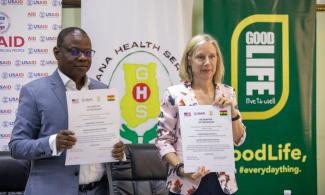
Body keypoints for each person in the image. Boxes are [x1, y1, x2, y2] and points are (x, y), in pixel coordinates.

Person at [8, 27, 124, 195]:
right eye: (75, 51)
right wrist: (53, 142)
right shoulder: (34, 92)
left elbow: (106, 140)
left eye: (88, 52)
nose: (83, 58)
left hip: (100, 189)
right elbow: (17, 147)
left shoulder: (103, 90)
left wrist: (117, 151)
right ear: (57, 53)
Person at [155, 34, 246, 195]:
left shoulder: (227, 93)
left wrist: (233, 112)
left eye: (212, 56)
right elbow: (163, 141)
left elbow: (239, 139)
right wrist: (182, 169)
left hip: (222, 183)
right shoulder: (174, 94)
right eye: (200, 57)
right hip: (185, 182)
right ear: (189, 60)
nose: (207, 63)